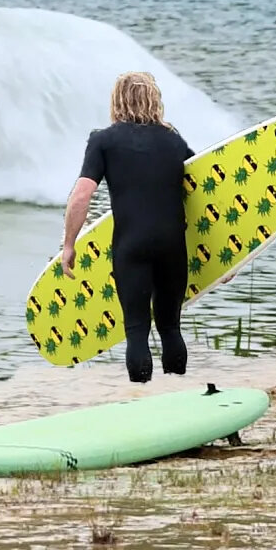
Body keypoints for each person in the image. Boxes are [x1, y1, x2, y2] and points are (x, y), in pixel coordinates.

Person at [60, 71, 194, 383]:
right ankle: (178, 398)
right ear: (154, 101)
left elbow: (81, 196)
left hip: (131, 245)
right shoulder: (174, 141)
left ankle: (141, 400)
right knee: (170, 327)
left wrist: (69, 244)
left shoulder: (103, 141)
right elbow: (205, 190)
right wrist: (232, 256)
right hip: (173, 245)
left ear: (117, 101)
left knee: (136, 330)